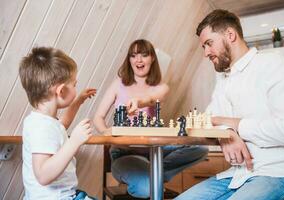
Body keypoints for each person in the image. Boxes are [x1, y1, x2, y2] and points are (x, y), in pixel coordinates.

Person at [175, 9, 284, 200]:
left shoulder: (273, 64)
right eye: (204, 47)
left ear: (230, 35)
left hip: (281, 172)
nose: (206, 53)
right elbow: (208, 120)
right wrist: (228, 132)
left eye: (209, 44)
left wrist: (235, 124)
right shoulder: (224, 79)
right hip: (238, 175)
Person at [93, 39, 208, 198]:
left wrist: (138, 102)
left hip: (155, 150)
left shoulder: (161, 87)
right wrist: (106, 131)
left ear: (152, 58)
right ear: (129, 60)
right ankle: (151, 178)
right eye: (133, 56)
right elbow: (98, 117)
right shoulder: (117, 84)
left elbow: (152, 98)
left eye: (144, 55)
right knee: (149, 189)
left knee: (199, 148)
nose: (138, 60)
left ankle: (154, 175)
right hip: (124, 153)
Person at [19, 47, 97, 200]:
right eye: (74, 85)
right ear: (61, 91)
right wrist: (74, 142)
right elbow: (42, 175)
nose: (76, 88)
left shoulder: (42, 121)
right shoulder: (41, 127)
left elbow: (60, 128)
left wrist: (77, 102)